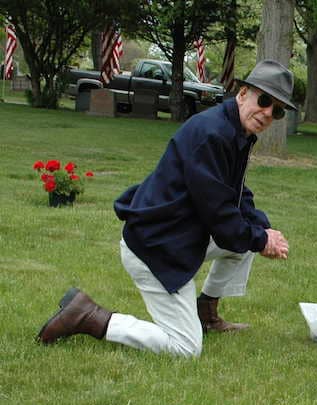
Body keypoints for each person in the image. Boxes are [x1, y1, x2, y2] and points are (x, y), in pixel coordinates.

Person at [38, 60, 295, 357]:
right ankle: (89, 316)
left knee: (244, 243)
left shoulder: (235, 131)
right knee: (186, 348)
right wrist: (262, 240)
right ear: (242, 94)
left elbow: (236, 192)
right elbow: (219, 215)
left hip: (179, 234)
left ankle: (206, 314)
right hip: (156, 246)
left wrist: (263, 229)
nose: (267, 113)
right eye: (264, 101)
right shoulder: (213, 133)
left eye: (277, 110)